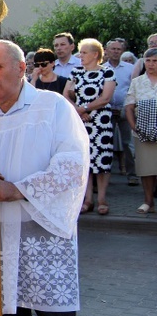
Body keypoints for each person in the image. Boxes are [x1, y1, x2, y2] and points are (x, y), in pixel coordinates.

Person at [0, 40, 89, 316]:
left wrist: (16, 189)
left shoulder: (51, 107)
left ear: (21, 68)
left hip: (41, 238)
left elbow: (72, 165)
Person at [64, 38, 116, 215]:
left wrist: (84, 108)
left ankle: (101, 198)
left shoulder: (107, 72)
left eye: (85, 52)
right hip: (81, 121)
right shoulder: (76, 71)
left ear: (95, 54)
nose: (81, 56)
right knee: (85, 158)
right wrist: (79, 111)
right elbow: (66, 94)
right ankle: (87, 199)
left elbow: (105, 98)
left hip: (101, 122)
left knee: (101, 159)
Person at [125, 47, 157, 214]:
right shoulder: (137, 81)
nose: (151, 64)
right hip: (142, 131)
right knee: (146, 168)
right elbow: (129, 107)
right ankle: (148, 201)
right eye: (148, 61)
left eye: (155, 61)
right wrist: (134, 127)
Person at [104, 38, 137, 184]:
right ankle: (106, 177)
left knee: (128, 143)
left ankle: (132, 175)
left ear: (122, 51)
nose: (116, 51)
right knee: (106, 143)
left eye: (118, 49)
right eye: (113, 49)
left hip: (125, 110)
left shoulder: (130, 69)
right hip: (107, 110)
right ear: (106, 51)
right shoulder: (102, 69)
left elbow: (132, 89)